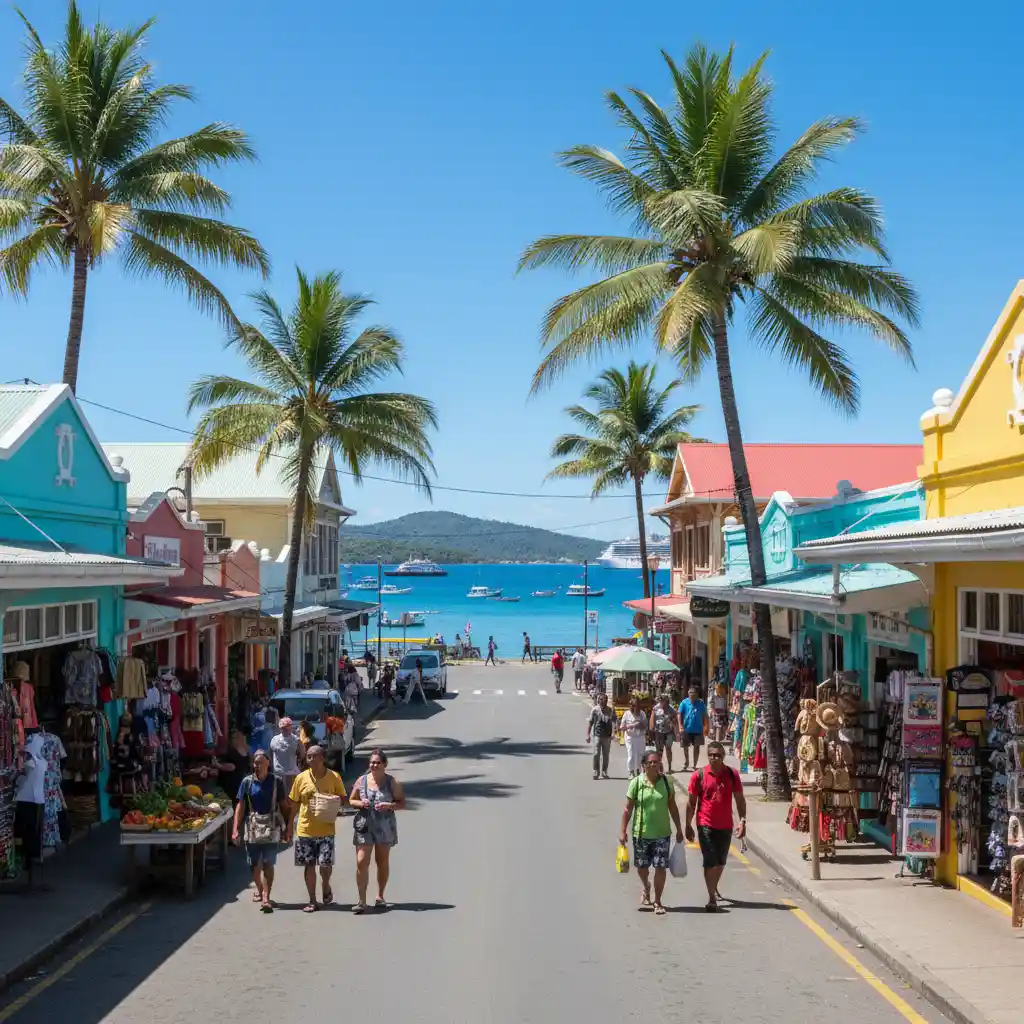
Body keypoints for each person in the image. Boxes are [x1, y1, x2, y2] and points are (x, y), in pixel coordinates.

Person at [619, 751, 684, 915]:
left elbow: (672, 806)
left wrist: (679, 828)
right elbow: (628, 809)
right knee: (642, 867)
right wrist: (623, 831)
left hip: (662, 834)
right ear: (644, 765)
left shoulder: (667, 782)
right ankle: (646, 886)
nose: (654, 765)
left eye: (656, 762)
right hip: (641, 834)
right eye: (650, 762)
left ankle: (658, 901)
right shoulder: (636, 783)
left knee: (660, 867)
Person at [685, 740, 747, 912]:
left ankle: (713, 886)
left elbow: (740, 800)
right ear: (708, 756)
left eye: (718, 755)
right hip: (705, 823)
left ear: (723, 756)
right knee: (710, 861)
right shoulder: (699, 775)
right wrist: (688, 825)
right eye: (711, 755)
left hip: (726, 825)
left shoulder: (732, 774)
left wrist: (742, 821)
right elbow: (691, 803)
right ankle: (712, 897)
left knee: (720, 862)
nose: (714, 758)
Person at [287, 745, 347, 913]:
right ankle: (312, 900)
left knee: (325, 866)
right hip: (305, 829)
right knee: (309, 865)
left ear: (322, 758)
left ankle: (326, 885)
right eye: (308, 757)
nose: (310, 759)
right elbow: (294, 804)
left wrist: (331, 800)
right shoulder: (301, 778)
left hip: (326, 830)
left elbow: (343, 798)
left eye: (314, 756)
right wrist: (289, 826)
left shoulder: (334, 777)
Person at [349, 748, 406, 913]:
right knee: (361, 861)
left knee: (382, 861)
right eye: (372, 762)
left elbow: (402, 803)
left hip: (384, 826)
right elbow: (351, 800)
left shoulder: (392, 782)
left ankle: (380, 896)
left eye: (378, 763)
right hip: (364, 825)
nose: (374, 765)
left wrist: (389, 805)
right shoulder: (362, 780)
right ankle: (361, 900)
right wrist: (361, 803)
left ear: (384, 764)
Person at [232, 750, 289, 913]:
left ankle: (266, 896)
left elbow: (284, 805)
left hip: (271, 826)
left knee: (268, 862)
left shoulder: (276, 781)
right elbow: (240, 806)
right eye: (255, 763)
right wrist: (235, 829)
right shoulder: (247, 782)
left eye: (261, 763)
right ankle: (260, 888)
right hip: (252, 827)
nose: (257, 766)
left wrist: (287, 828)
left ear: (267, 764)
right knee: (254, 863)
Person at [586, 692, 618, 780]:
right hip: (597, 735)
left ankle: (604, 771)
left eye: (605, 700)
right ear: (598, 701)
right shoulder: (595, 710)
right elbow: (590, 722)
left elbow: (614, 722)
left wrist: (614, 733)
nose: (603, 702)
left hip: (607, 736)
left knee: (606, 755)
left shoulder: (610, 710)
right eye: (601, 700)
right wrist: (588, 735)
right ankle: (596, 770)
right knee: (596, 754)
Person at [678, 685, 710, 770]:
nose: (691, 695)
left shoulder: (701, 703)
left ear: (696, 694)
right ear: (688, 693)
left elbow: (705, 715)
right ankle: (686, 762)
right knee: (685, 747)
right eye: (690, 693)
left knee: (697, 747)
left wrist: (706, 726)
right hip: (686, 729)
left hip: (698, 729)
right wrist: (680, 725)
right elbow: (679, 714)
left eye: (693, 693)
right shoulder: (684, 702)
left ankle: (694, 765)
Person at [270, 716, 300, 795]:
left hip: (282, 772)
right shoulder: (296, 740)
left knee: (281, 796)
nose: (287, 729)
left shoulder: (274, 739)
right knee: (288, 796)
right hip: (285, 773)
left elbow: (270, 754)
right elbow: (302, 755)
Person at [649, 693, 678, 774]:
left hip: (668, 732)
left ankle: (669, 767)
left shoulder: (671, 709)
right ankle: (659, 767)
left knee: (668, 749)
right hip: (659, 732)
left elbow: (675, 721)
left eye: (663, 700)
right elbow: (652, 718)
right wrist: (651, 728)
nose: (661, 702)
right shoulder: (656, 708)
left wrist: (676, 732)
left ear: (666, 701)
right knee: (659, 751)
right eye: (660, 700)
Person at [620, 696, 648, 778]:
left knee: (640, 755)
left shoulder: (642, 713)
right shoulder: (627, 714)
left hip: (640, 737)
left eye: (637, 705)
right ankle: (631, 772)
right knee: (631, 755)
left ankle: (639, 770)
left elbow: (645, 725)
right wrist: (631, 726)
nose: (636, 708)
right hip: (630, 737)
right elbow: (621, 727)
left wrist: (640, 725)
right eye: (634, 706)